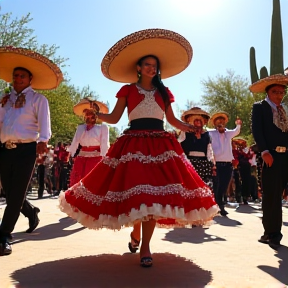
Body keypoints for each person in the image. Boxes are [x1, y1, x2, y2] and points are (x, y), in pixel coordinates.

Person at [59, 28, 219, 268]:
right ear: (138, 67)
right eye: (147, 64)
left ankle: (145, 247)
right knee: (139, 194)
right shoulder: (127, 90)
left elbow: (172, 121)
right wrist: (97, 114)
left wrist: (189, 126)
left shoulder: (165, 93)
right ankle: (136, 235)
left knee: (154, 195)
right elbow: (114, 118)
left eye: (155, 66)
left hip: (161, 145)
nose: (151, 69)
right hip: (133, 144)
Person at [0, 46, 63, 256]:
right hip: (4, 149)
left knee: (17, 192)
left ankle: (4, 234)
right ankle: (30, 211)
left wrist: (43, 141)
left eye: (22, 76)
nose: (17, 79)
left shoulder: (38, 100)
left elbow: (45, 125)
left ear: (30, 79)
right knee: (11, 194)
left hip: (26, 149)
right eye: (15, 75)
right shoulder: (4, 99)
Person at [251, 73, 288, 250]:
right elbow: (257, 130)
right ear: (268, 92)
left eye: (282, 92)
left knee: (283, 192)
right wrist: (264, 151)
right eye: (275, 92)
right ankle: (273, 233)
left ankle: (271, 232)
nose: (279, 95)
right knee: (272, 195)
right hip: (270, 155)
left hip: (286, 155)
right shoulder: (260, 107)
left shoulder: (286, 109)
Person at [68, 98, 110, 187]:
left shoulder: (102, 128)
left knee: (92, 181)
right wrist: (71, 154)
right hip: (81, 157)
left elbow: (104, 143)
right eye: (86, 115)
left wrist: (104, 158)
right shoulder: (80, 128)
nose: (88, 117)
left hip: (95, 157)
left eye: (90, 115)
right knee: (77, 180)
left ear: (95, 116)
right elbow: (75, 141)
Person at [208, 112, 242, 216]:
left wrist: (238, 124)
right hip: (216, 163)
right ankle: (220, 206)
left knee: (224, 185)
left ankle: (218, 203)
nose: (220, 123)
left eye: (222, 121)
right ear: (215, 124)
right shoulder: (211, 133)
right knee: (217, 185)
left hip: (227, 164)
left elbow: (237, 131)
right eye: (218, 121)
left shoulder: (228, 133)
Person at [178, 107, 215, 188]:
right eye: (196, 120)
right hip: (189, 162)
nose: (198, 122)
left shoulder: (206, 134)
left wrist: (213, 164)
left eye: (200, 120)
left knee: (203, 186)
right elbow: (178, 145)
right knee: (190, 185)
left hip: (204, 164)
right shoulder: (185, 133)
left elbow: (209, 151)